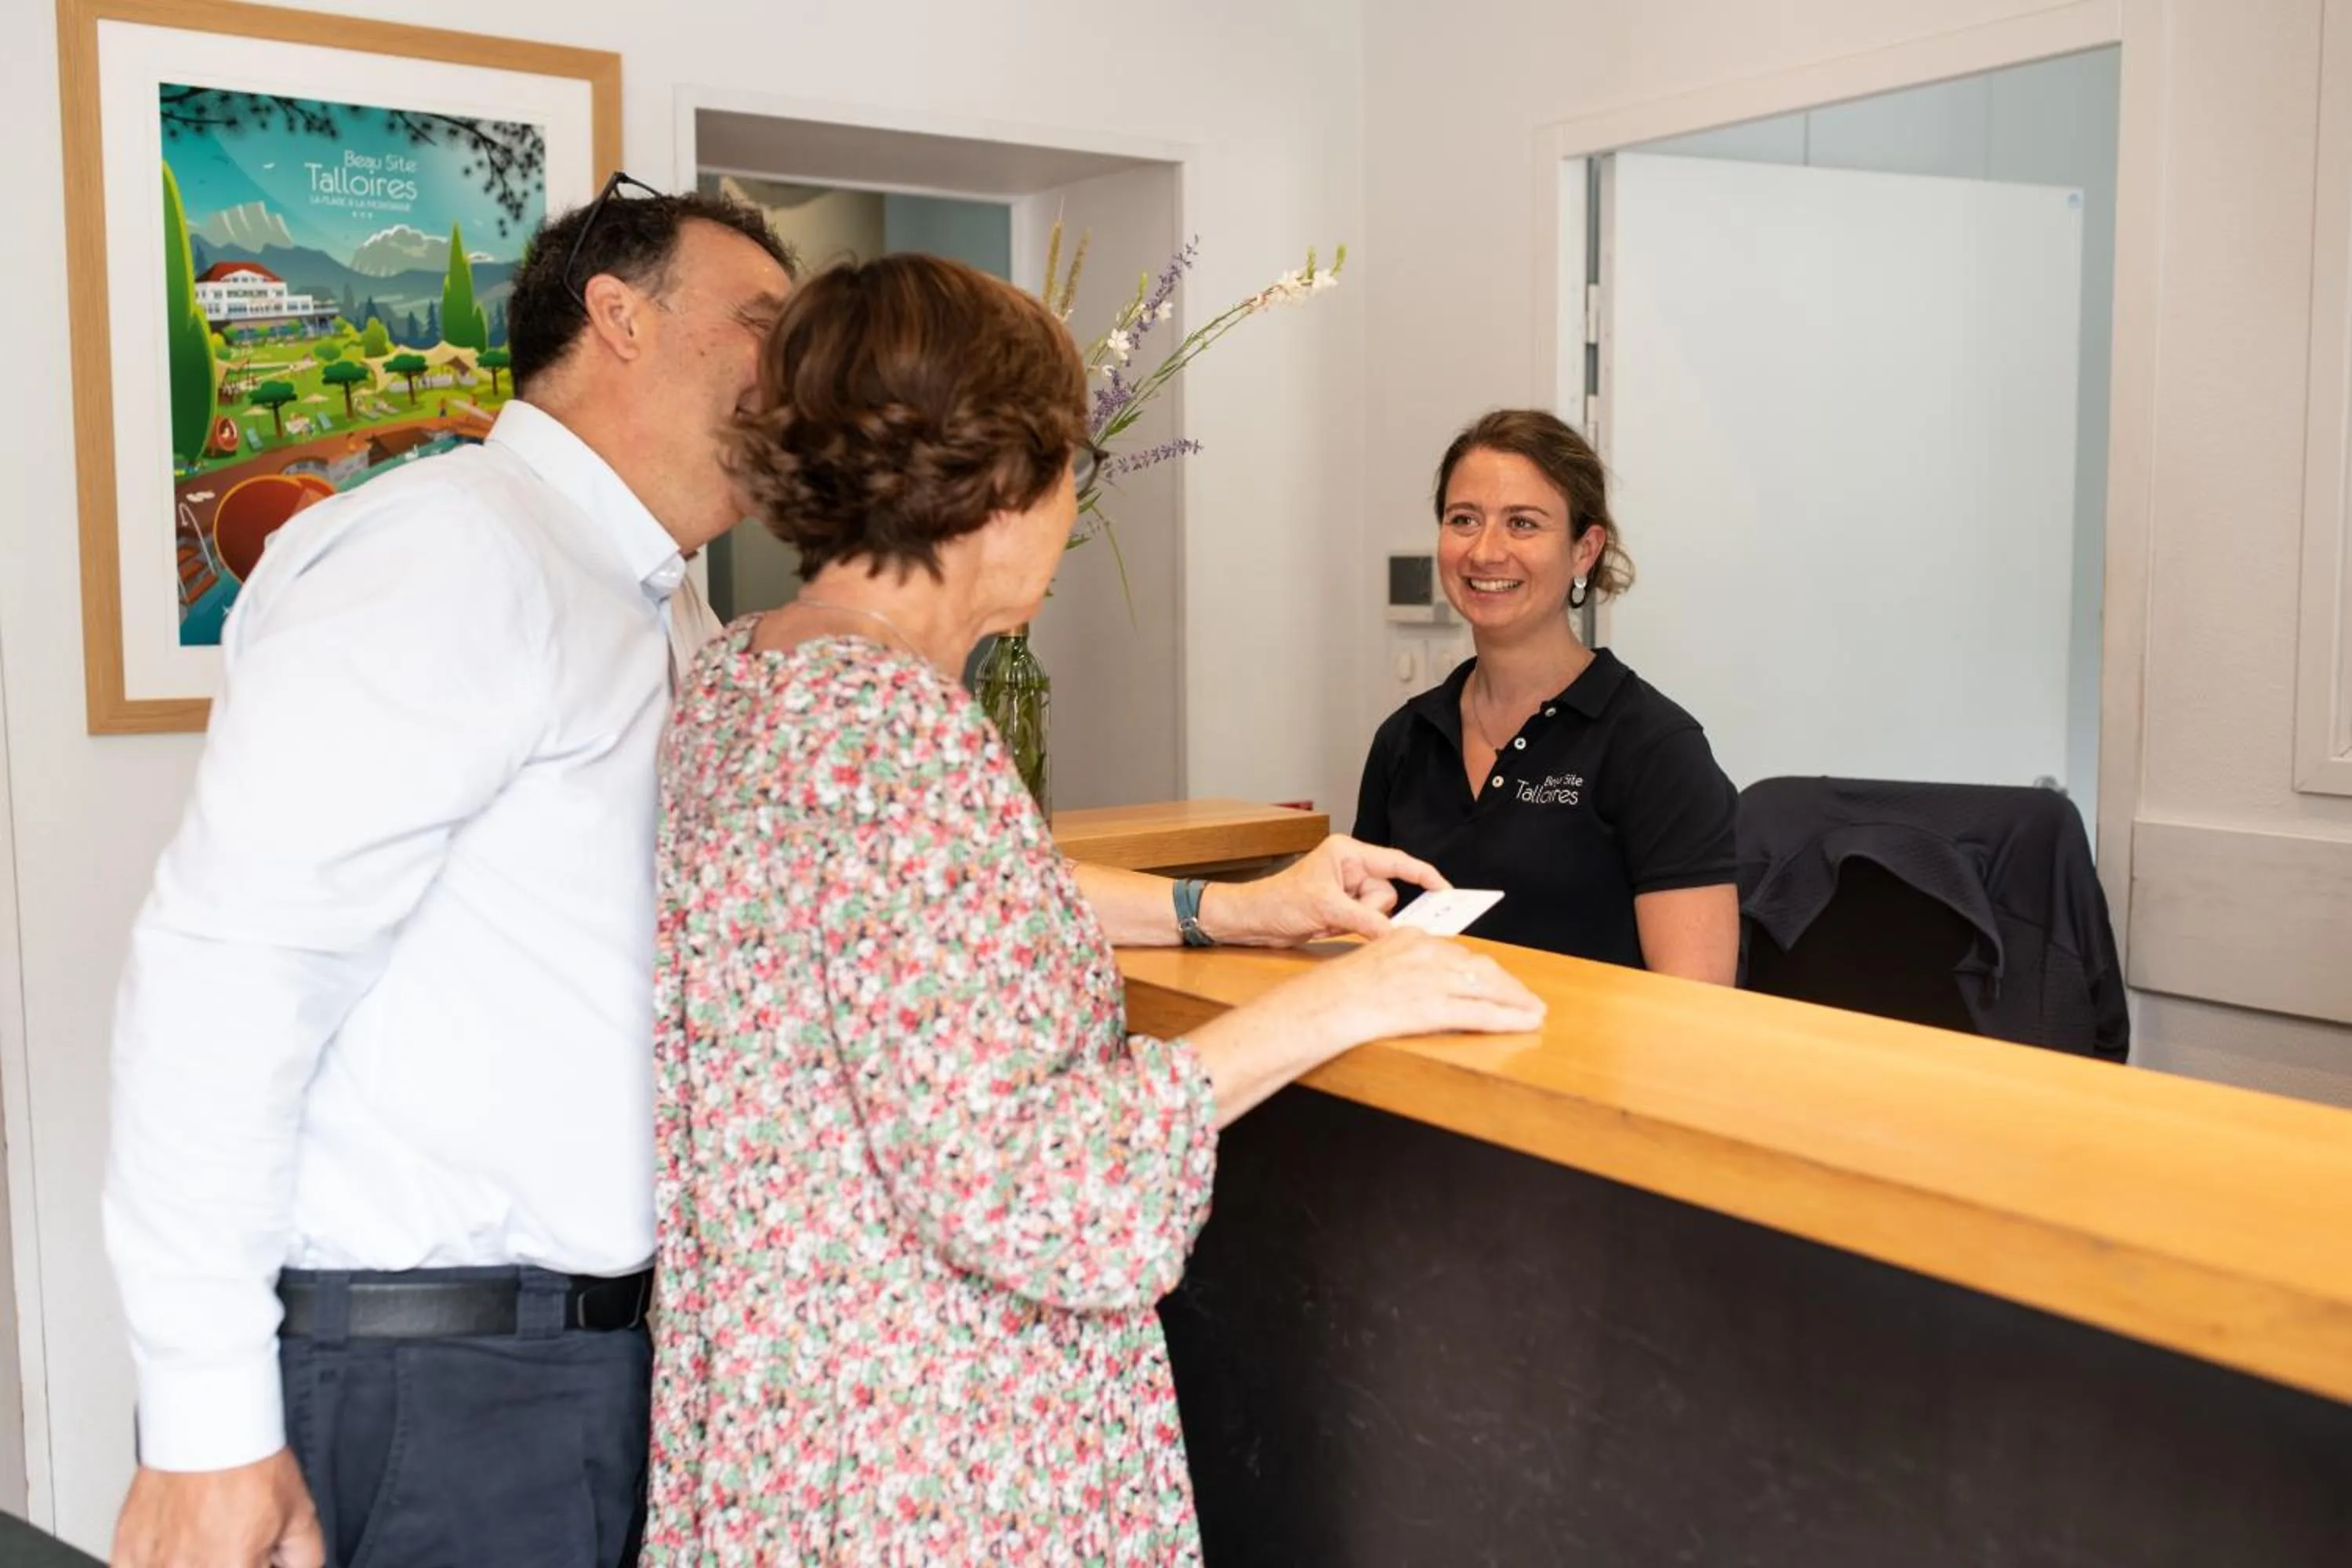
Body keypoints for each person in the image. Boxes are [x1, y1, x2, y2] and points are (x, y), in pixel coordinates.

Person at [642, 253, 1547, 1563]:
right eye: (1070, 465)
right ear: (997, 483)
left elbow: (922, 918)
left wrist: (1229, 916)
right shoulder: (900, 733)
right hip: (935, 1445)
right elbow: (1029, 1182)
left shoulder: (749, 682)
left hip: (788, 1419)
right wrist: (1341, 1001)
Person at [104, 176, 799, 1568]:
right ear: (619, 317)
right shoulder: (455, 554)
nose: (795, 373)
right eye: (764, 326)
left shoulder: (655, 602)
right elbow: (230, 972)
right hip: (435, 1385)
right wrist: (206, 1428)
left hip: (576, 1370)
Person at [1353, 409, 1740, 982]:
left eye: (1523, 524)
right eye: (1464, 519)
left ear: (1584, 551)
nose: (1485, 551)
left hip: (1581, 1068)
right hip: (1422, 1056)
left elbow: (1696, 1007)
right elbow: (1365, 947)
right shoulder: (1405, 740)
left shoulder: (1656, 749)